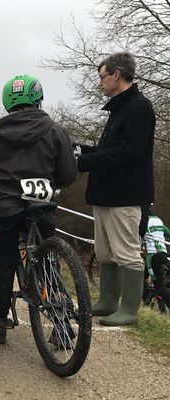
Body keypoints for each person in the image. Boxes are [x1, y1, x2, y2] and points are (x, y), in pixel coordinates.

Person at [0, 74, 77, 344]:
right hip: (41, 206)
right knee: (47, 261)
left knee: (2, 263)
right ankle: (62, 324)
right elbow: (67, 174)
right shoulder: (54, 130)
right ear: (38, 97)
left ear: (7, 101)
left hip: (3, 208)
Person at [76, 52, 156, 326]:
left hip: (126, 195)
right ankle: (108, 301)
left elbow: (128, 152)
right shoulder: (119, 108)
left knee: (127, 253)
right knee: (105, 252)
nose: (99, 83)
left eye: (102, 77)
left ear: (117, 75)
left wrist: (82, 162)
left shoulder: (139, 107)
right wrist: (80, 152)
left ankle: (129, 310)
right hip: (105, 194)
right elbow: (109, 151)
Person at [142, 209, 170, 306]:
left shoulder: (142, 221)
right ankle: (146, 299)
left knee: (160, 287)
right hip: (163, 254)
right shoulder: (158, 220)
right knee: (140, 276)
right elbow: (168, 233)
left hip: (153, 256)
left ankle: (148, 297)